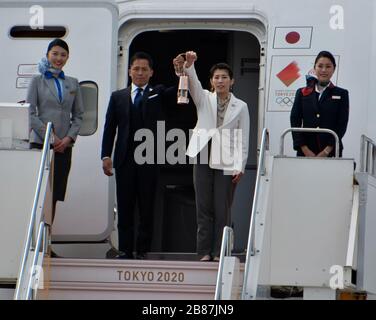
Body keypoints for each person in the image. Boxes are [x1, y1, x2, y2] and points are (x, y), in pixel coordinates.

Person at [173, 51, 250, 262]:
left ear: (232, 81)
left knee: (221, 207)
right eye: (216, 77)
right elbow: (194, 83)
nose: (220, 80)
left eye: (224, 77)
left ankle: (219, 252)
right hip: (203, 152)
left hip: (226, 155)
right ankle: (204, 252)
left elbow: (243, 139)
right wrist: (189, 65)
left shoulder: (241, 106)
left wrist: (239, 166)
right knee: (203, 206)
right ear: (211, 81)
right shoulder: (204, 97)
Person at [101, 52, 173, 260]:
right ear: (130, 71)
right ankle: (125, 250)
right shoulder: (117, 97)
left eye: (144, 69)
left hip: (149, 158)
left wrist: (184, 70)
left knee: (147, 206)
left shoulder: (157, 93)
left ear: (151, 72)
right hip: (124, 159)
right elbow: (109, 128)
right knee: (125, 206)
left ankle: (142, 251)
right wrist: (106, 155)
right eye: (136, 69)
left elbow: (178, 91)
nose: (140, 73)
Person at [27, 39, 84, 229]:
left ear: (67, 57)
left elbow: (78, 116)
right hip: (41, 145)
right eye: (55, 53)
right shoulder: (37, 81)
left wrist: (68, 138)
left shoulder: (73, 83)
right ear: (48, 55)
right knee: (40, 193)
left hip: (63, 148)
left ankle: (48, 243)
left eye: (63, 54)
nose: (59, 58)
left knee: (55, 195)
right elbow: (30, 113)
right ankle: (36, 242)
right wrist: (50, 137)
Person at [290, 51, 349, 157]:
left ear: (334, 69)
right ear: (314, 68)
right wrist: (304, 149)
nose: (324, 70)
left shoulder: (341, 94)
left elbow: (342, 125)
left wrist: (326, 151)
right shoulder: (302, 93)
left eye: (328, 66)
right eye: (320, 66)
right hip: (306, 151)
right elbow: (295, 120)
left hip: (331, 152)